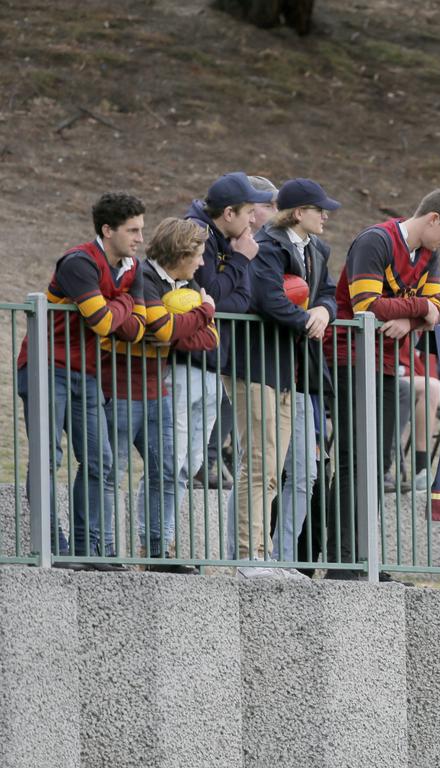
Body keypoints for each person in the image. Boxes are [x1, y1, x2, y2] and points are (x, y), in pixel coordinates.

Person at [323, 187, 440, 581]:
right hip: (350, 356)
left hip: (386, 362)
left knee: (379, 460)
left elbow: (437, 311)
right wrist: (419, 308)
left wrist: (413, 317)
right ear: (432, 218)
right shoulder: (375, 240)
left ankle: (364, 558)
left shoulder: (429, 254)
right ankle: (341, 558)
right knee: (355, 458)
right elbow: (366, 304)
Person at [16, 192, 147, 569]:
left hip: (87, 374)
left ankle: (87, 549)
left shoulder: (132, 268)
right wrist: (122, 306)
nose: (139, 238)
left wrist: (115, 309)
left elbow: (137, 331)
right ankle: (49, 547)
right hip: (46, 367)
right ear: (107, 230)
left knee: (101, 461)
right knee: (48, 457)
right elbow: (105, 323)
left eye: (141, 229)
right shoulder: (78, 262)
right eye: (132, 230)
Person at [232, 178, 339, 579]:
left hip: (297, 375)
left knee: (303, 473)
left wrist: (323, 313)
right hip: (263, 366)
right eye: (319, 209)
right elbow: (268, 297)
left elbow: (328, 292)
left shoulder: (318, 249)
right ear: (298, 213)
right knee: (262, 469)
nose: (326, 215)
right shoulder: (269, 245)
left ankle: (283, 557)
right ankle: (248, 555)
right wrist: (305, 321)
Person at [104, 218, 218, 574]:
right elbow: (166, 329)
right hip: (121, 386)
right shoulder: (142, 276)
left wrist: (180, 328)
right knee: (111, 469)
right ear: (180, 253)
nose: (202, 263)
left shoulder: (187, 283)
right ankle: (103, 549)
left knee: (167, 470)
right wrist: (203, 312)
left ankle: (157, 551)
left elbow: (209, 340)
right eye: (198, 255)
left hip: (157, 389)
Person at [182, 173, 273, 496]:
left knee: (186, 459)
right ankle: (155, 540)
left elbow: (241, 300)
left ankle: (162, 539)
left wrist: (235, 266)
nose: (254, 218)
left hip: (210, 356)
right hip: (186, 358)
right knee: (176, 460)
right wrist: (239, 260)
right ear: (229, 213)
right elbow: (215, 297)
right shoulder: (197, 234)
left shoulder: (235, 241)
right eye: (250, 211)